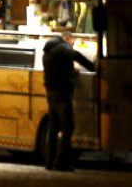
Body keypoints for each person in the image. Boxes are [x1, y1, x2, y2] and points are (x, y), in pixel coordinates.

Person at [42, 34, 95, 171]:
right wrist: (92, 67)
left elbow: (58, 70)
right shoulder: (62, 48)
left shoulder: (48, 52)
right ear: (67, 40)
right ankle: (61, 163)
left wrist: (71, 72)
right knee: (67, 127)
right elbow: (75, 55)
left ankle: (49, 162)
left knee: (53, 128)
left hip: (51, 92)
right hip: (62, 93)